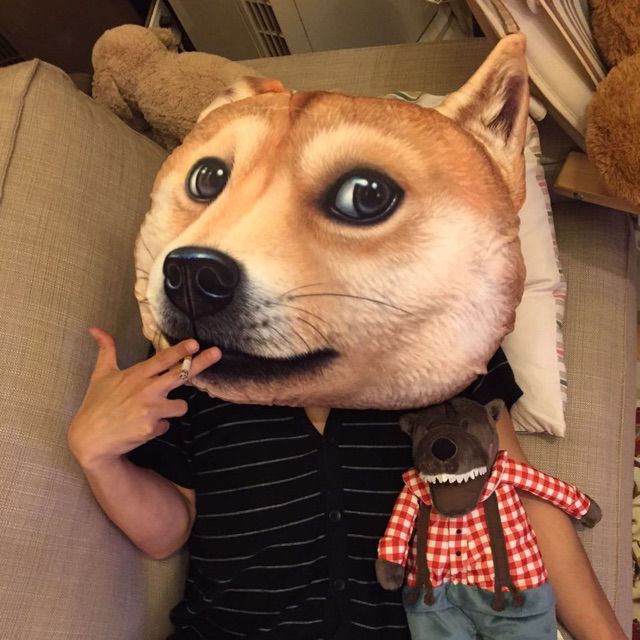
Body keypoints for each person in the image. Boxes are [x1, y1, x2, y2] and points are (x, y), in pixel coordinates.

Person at [68, 327, 626, 640]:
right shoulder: (194, 347)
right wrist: (98, 456)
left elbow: (517, 496)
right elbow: (169, 531)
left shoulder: (449, 325)